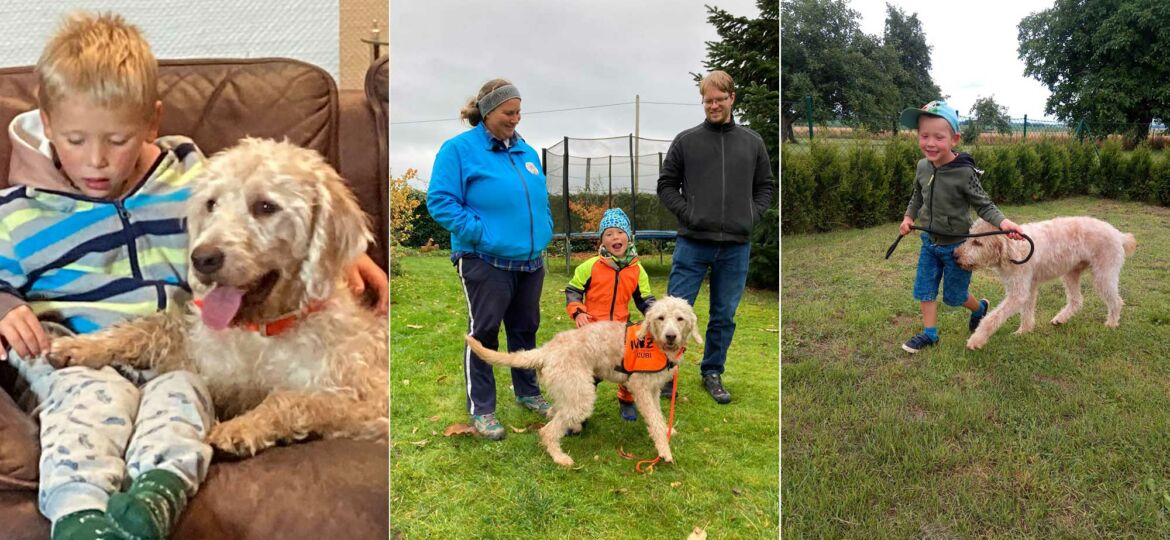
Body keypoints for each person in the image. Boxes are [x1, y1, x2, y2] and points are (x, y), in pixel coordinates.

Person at [0, 12, 387, 540]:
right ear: (47, 127)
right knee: (92, 405)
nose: (96, 159)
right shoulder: (19, 213)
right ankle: (80, 520)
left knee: (180, 400)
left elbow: (311, 213)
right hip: (80, 354)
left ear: (149, 126)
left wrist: (343, 255)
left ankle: (151, 507)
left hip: (194, 360)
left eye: (117, 139)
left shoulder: (183, 171)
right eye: (75, 139)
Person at [427, 79, 554, 440]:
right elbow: (440, 201)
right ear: (487, 112)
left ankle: (528, 391)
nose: (515, 119)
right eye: (508, 112)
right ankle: (482, 409)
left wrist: (544, 227)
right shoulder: (459, 150)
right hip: (484, 258)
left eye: (518, 112)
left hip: (529, 260)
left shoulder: (526, 151)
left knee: (524, 329)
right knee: (484, 333)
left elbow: (538, 198)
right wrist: (482, 232)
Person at [657, 70, 773, 405]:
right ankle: (664, 372)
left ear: (732, 99)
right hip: (693, 243)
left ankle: (712, 371)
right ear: (702, 101)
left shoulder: (752, 143)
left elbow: (765, 187)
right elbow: (666, 185)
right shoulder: (686, 141)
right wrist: (690, 214)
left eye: (720, 100)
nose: (714, 106)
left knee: (724, 314)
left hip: (736, 246)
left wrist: (751, 215)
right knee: (672, 313)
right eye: (708, 101)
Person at [896, 100, 1024, 353]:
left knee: (955, 297)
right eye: (924, 136)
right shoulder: (922, 167)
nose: (930, 143)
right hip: (929, 244)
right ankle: (929, 334)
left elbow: (984, 205)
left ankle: (980, 309)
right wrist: (908, 217)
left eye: (938, 137)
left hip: (957, 247)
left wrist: (1003, 222)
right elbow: (917, 196)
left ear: (954, 139)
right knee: (925, 289)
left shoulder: (964, 172)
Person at [565, 208, 656, 422]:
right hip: (592, 330)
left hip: (621, 331)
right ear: (602, 242)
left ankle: (626, 400)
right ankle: (578, 411)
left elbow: (645, 299)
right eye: (609, 234)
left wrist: (654, 316)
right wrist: (578, 312)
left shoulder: (637, 270)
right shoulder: (590, 266)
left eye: (620, 232)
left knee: (628, 369)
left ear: (628, 237)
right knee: (589, 373)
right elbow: (573, 291)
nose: (615, 237)